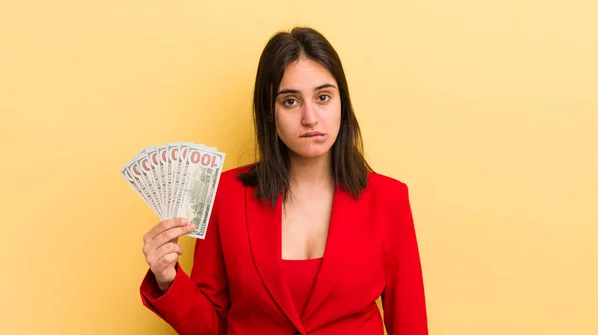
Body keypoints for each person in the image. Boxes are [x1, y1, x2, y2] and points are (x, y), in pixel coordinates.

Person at [140, 27, 428, 335]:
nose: (310, 117)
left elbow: (409, 324)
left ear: (342, 103)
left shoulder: (389, 198)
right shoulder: (224, 196)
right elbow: (212, 328)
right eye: (290, 101)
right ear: (269, 112)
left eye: (323, 97)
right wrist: (168, 280)